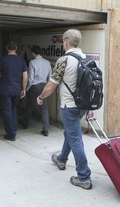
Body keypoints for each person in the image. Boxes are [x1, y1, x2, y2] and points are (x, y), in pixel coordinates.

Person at [36, 29, 94, 190]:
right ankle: (61, 158)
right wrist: (89, 108)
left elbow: (51, 85)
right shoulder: (86, 58)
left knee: (75, 139)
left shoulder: (64, 60)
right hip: (83, 106)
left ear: (66, 43)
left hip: (69, 107)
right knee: (69, 133)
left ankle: (83, 176)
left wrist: (41, 97)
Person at [0, 41, 28, 141]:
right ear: (16, 48)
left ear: (7, 48)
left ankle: (11, 134)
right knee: (14, 109)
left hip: (5, 90)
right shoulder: (21, 60)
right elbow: (25, 76)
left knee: (6, 111)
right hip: (16, 90)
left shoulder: (3, 60)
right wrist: (24, 89)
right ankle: (14, 129)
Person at [19, 45, 52, 136]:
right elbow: (50, 77)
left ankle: (25, 123)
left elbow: (30, 78)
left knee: (29, 105)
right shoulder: (47, 62)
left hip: (34, 86)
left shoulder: (32, 62)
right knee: (44, 108)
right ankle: (45, 130)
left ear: (33, 53)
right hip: (44, 86)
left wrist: (26, 89)